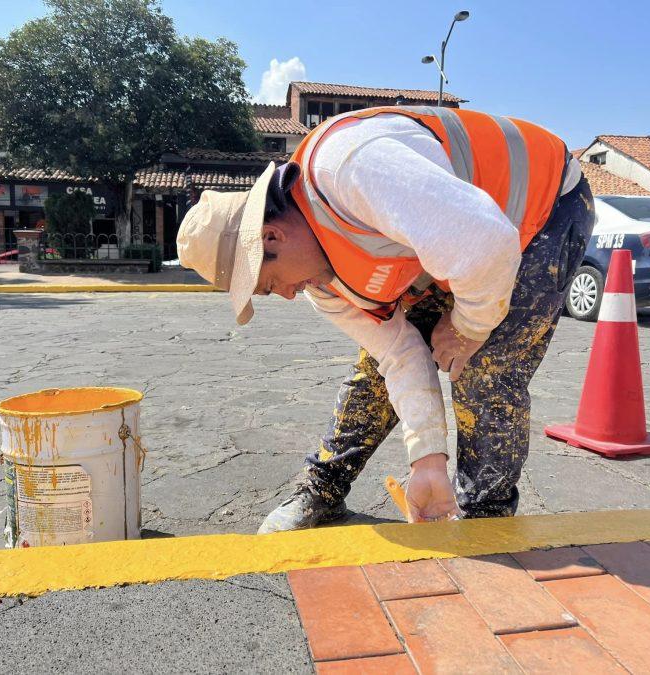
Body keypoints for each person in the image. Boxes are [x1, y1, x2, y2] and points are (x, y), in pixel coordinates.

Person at [176, 105, 594, 533]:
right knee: (376, 371)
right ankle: (321, 488)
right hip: (457, 241)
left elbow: (486, 241)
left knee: (485, 365)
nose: (284, 295)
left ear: (272, 236)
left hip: (542, 205)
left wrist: (468, 327)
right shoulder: (321, 286)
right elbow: (398, 354)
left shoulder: (353, 169)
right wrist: (427, 459)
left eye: (268, 284)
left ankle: (485, 522)